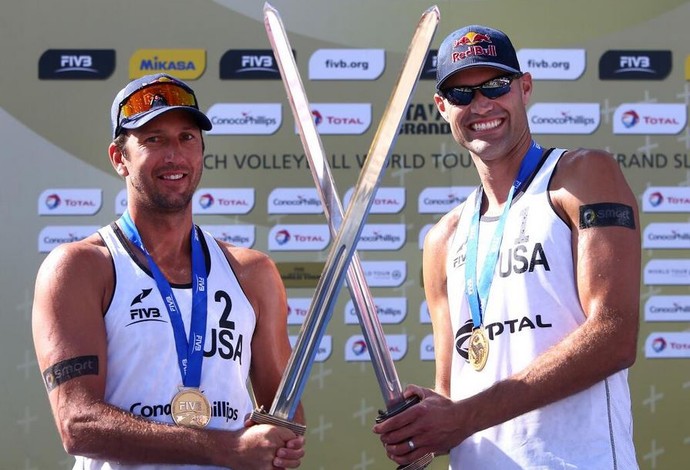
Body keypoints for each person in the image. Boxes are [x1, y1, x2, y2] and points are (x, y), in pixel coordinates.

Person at [373, 25, 640, 469]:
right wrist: (423, 421)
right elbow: (454, 388)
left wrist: (461, 416)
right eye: (461, 95)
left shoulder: (582, 177)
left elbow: (613, 336)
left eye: (495, 85)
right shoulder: (443, 238)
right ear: (442, 107)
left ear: (525, 87)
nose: (481, 105)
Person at [32, 73, 305, 469]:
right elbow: (77, 423)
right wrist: (224, 446)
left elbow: (287, 414)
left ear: (202, 152)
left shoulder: (251, 272)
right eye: (153, 140)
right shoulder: (82, 267)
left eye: (186, 138)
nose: (174, 155)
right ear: (119, 158)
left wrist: (280, 439)